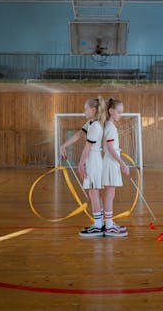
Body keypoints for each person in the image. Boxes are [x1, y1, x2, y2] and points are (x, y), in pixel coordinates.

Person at [60, 96, 106, 237]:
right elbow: (80, 134)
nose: (83, 112)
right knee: (94, 192)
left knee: (93, 193)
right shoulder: (91, 123)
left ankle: (98, 225)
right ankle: (100, 222)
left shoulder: (96, 126)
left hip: (93, 160)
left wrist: (81, 164)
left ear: (93, 110)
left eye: (85, 109)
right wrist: (64, 145)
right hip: (93, 160)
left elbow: (87, 148)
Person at [102, 98, 130, 237]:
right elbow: (110, 148)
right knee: (109, 194)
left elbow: (112, 147)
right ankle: (108, 226)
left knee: (110, 194)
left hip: (111, 162)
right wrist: (122, 163)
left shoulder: (109, 125)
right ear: (111, 111)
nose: (121, 115)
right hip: (110, 164)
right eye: (119, 112)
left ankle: (109, 223)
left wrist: (118, 150)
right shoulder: (110, 126)